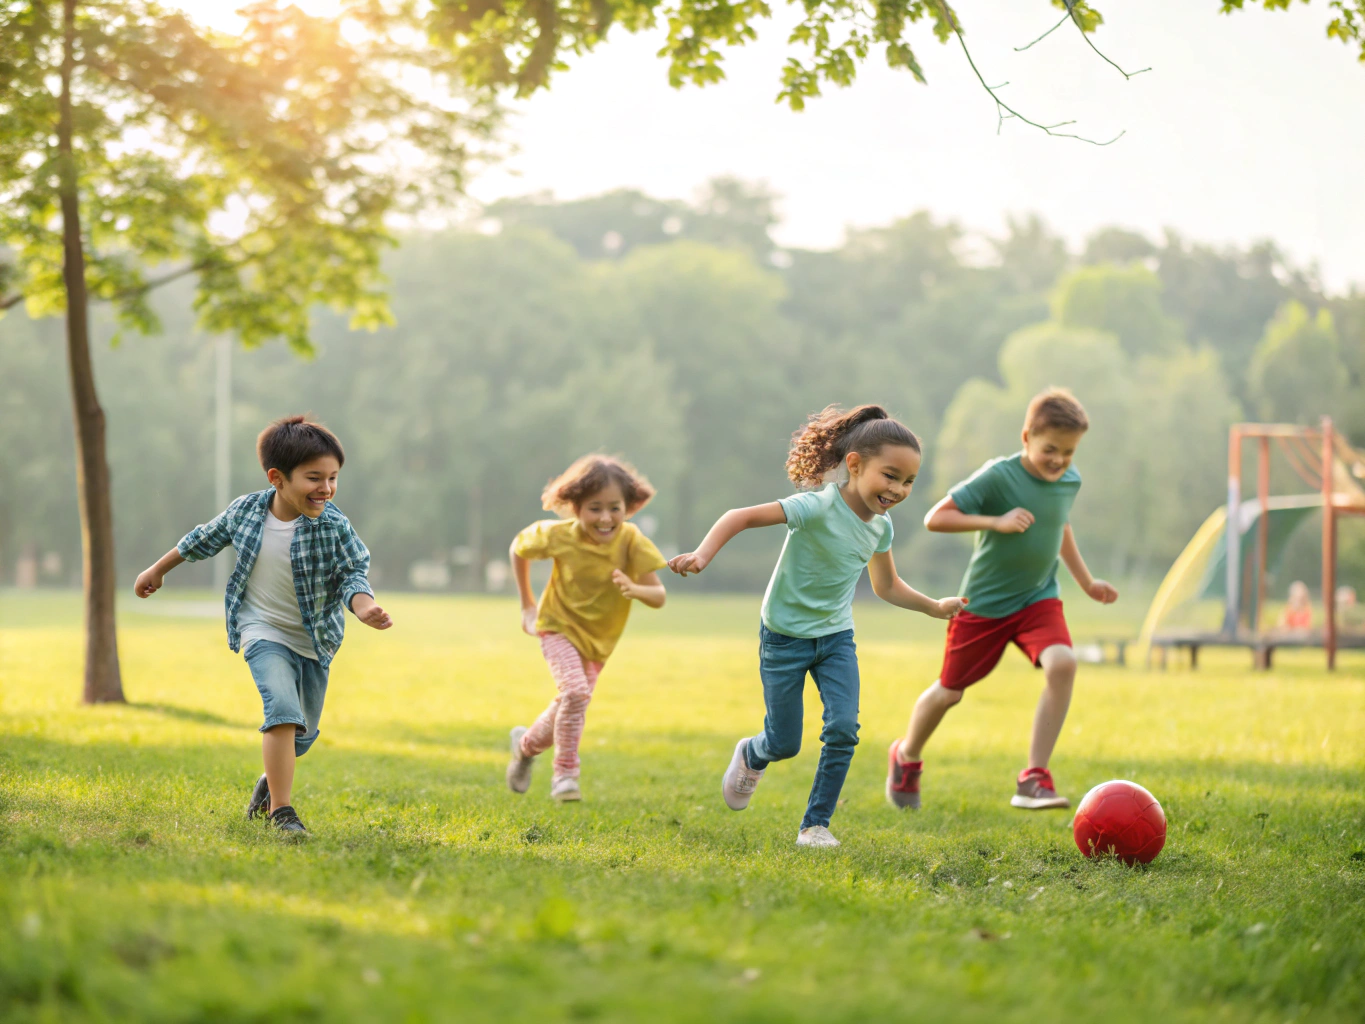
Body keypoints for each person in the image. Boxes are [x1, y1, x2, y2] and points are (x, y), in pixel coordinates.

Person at [668, 405, 965, 848]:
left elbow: (886, 586)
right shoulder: (816, 506)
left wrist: (933, 606)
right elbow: (739, 516)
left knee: (844, 727)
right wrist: (702, 555)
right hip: (784, 637)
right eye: (890, 475)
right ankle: (753, 753)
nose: (898, 489)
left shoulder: (880, 529)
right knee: (784, 743)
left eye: (908, 481)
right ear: (855, 464)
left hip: (835, 640)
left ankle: (815, 825)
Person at [134, 415, 392, 834]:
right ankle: (282, 814)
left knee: (300, 736)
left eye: (333, 478)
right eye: (314, 478)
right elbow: (202, 538)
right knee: (283, 713)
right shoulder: (246, 512)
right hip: (261, 631)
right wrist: (157, 569)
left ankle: (269, 786)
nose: (325, 489)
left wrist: (363, 607)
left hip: (314, 640)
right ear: (277, 478)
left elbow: (352, 573)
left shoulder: (333, 524)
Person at [886, 388, 1117, 814]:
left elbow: (1059, 526)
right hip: (985, 605)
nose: (1059, 461)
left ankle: (1034, 778)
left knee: (1063, 663)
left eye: (1068, 453)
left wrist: (1086, 582)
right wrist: (997, 521)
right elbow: (936, 517)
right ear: (1026, 436)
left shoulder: (1069, 480)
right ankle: (906, 755)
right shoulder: (999, 476)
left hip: (1038, 598)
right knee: (949, 692)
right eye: (1050, 449)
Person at [506, 455, 667, 802]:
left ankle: (524, 747)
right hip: (556, 626)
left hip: (599, 642)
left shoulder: (631, 541)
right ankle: (565, 774)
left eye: (615, 508)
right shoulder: (556, 535)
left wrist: (634, 588)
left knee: (569, 703)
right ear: (575, 507)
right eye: (595, 508)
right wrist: (527, 605)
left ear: (628, 507)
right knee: (576, 695)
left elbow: (658, 595)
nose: (606, 518)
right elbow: (518, 549)